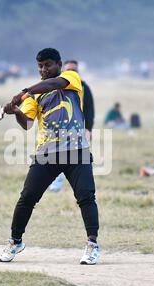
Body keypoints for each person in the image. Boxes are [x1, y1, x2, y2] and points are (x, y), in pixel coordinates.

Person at [0, 48, 101, 265]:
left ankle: (92, 245)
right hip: (47, 153)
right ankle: (15, 241)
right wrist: (16, 111)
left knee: (86, 197)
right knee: (27, 198)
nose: (43, 70)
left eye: (47, 65)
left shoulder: (71, 78)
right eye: (40, 67)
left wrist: (22, 93)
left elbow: (53, 84)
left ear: (59, 64)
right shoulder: (34, 95)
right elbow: (27, 124)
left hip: (76, 151)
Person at [49, 59, 95, 193]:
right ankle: (55, 185)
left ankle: (80, 187)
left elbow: (89, 110)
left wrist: (89, 129)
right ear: (63, 71)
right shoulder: (55, 86)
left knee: (77, 159)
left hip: (78, 129)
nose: (71, 73)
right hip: (59, 129)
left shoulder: (84, 87)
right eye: (68, 70)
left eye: (74, 70)